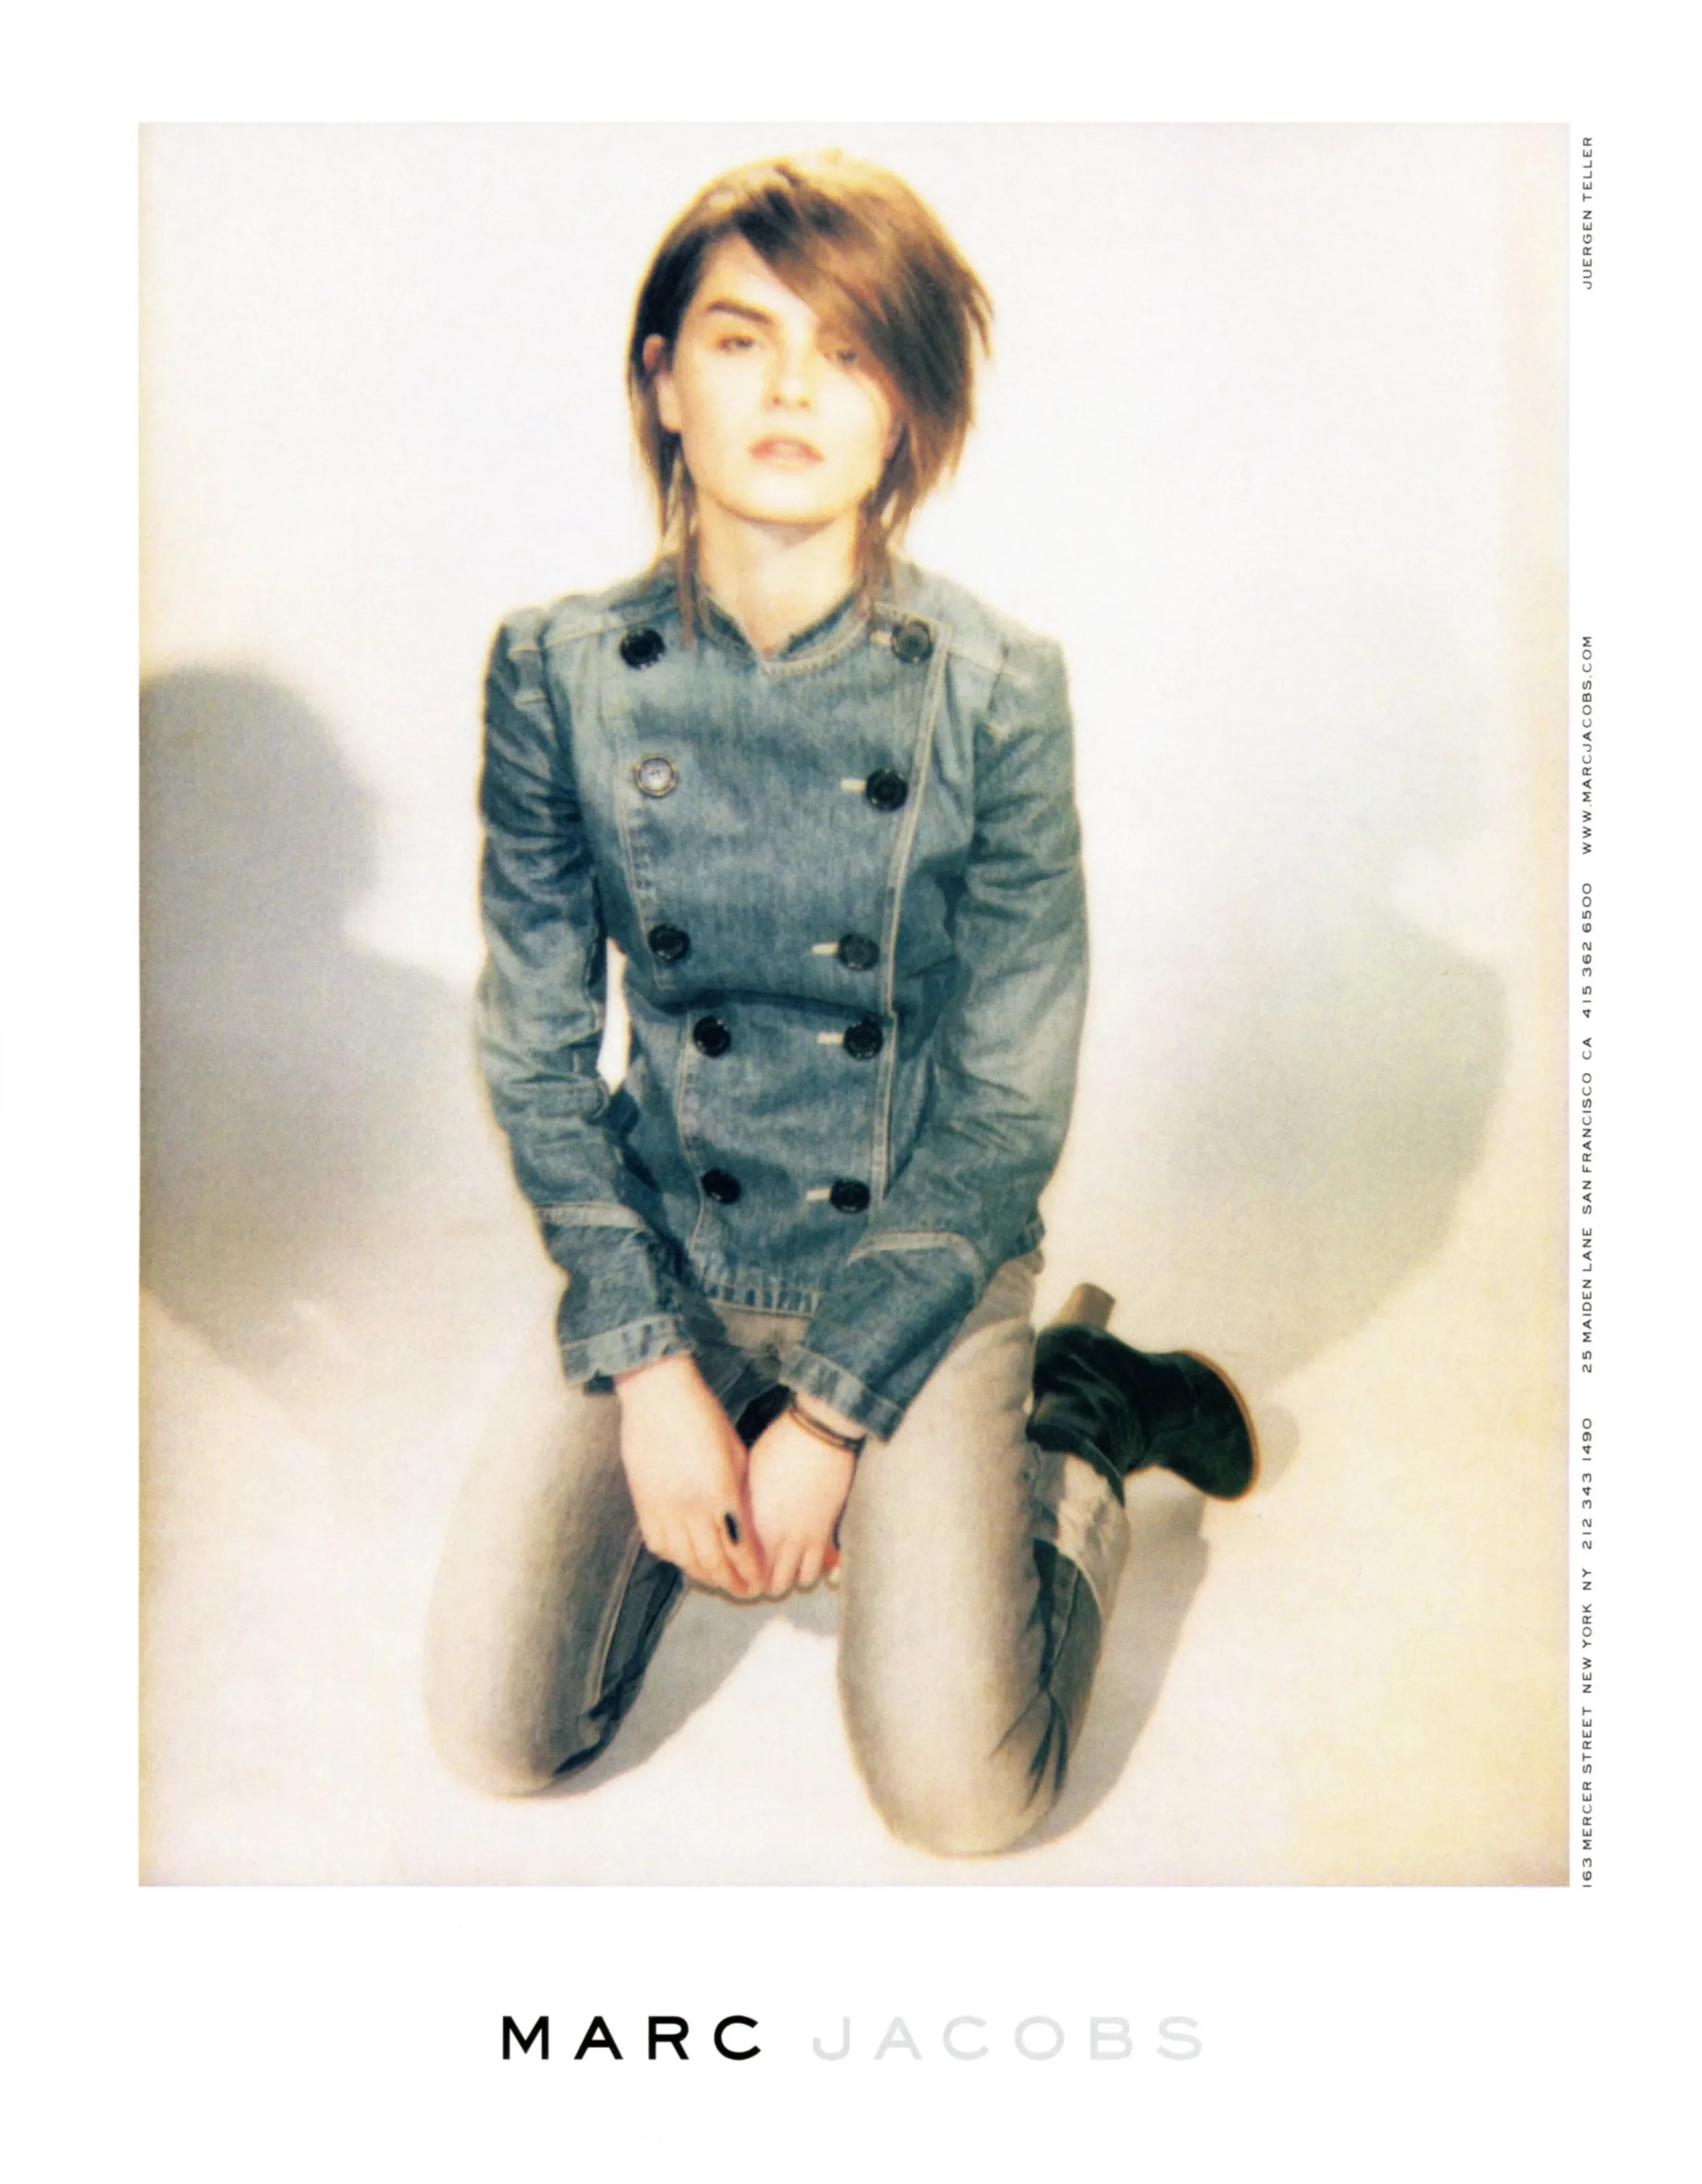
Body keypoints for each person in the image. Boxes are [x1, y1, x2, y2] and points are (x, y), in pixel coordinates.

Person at [423, 153, 1255, 1857]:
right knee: (497, 1734)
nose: (792, 388)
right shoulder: (556, 672)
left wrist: (827, 1414)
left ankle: (1078, 1417)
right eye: (741, 339)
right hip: (669, 1236)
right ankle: (709, 1447)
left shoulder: (997, 688)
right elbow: (534, 1045)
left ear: (907, 412)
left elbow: (1007, 1101)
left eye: (850, 350)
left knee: (963, 1796)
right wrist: (649, 1365)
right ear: (664, 378)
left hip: (919, 1251)